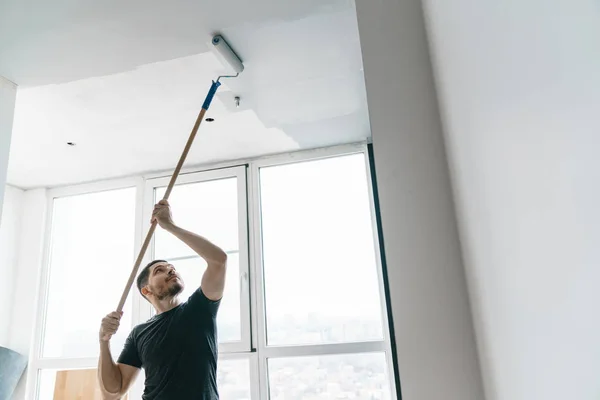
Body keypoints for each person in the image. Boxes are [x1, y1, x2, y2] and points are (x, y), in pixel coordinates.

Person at [98, 199, 228, 400]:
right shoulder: (139, 334)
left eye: (172, 268)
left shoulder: (200, 308)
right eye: (161, 270)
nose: (170, 270)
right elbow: (115, 390)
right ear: (147, 290)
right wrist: (103, 340)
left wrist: (170, 226)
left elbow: (218, 260)